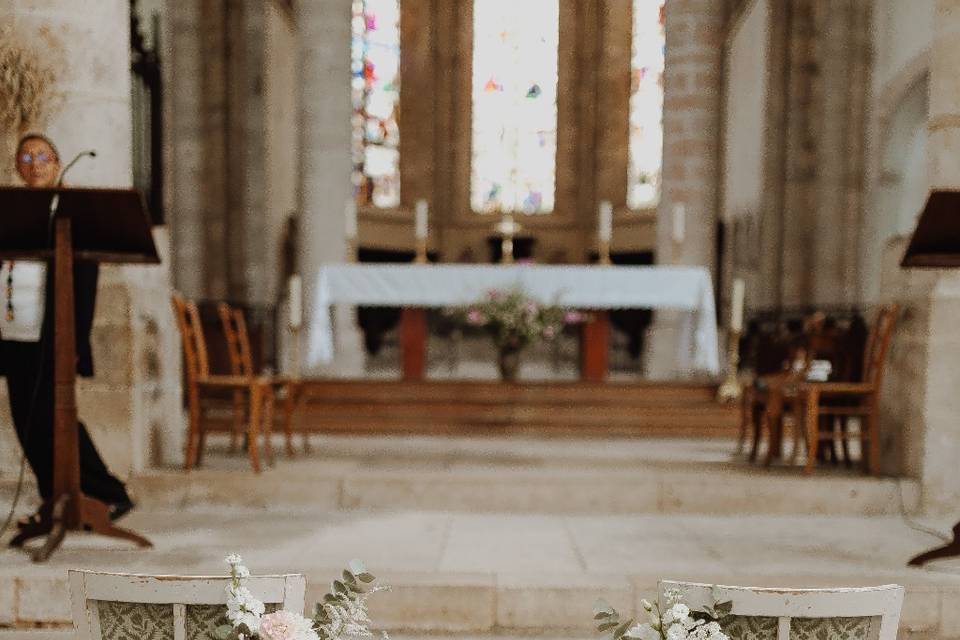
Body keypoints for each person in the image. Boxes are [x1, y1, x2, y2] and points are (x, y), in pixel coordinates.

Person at [1, 133, 134, 529]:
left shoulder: (69, 209)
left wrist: (75, 340)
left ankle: (109, 494)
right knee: (27, 423)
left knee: (55, 420)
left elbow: (85, 280)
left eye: (43, 155)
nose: (35, 162)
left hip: (51, 338)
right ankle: (53, 500)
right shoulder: (14, 209)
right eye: (26, 156)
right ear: (18, 168)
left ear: (57, 163)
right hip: (15, 335)